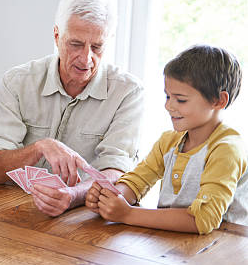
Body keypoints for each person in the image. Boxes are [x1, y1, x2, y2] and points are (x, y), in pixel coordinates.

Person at [0, 0, 144, 216]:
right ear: (57, 36)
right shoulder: (17, 82)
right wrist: (40, 147)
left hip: (84, 215)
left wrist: (73, 195)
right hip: (13, 210)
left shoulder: (128, 92)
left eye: (97, 47)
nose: (86, 58)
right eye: (76, 44)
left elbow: (115, 171)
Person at [86, 45, 247, 234]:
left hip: (219, 249)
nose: (168, 105)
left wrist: (127, 214)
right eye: (168, 96)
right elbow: (137, 181)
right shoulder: (170, 141)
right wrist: (112, 198)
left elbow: (203, 219)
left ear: (218, 101)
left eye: (181, 100)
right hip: (172, 245)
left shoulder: (226, 150)